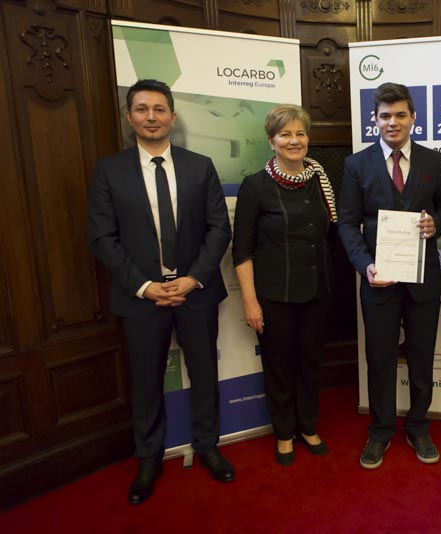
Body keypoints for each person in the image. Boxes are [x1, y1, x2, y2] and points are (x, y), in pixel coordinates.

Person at [87, 79, 234, 505]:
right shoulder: (109, 170)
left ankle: (208, 445)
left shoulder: (200, 166)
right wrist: (146, 286)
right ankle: (149, 457)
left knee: (204, 374)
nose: (150, 117)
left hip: (195, 293)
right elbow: (102, 238)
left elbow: (218, 229)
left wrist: (193, 278)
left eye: (158, 109)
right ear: (129, 116)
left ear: (172, 116)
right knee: (146, 381)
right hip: (141, 298)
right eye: (141, 109)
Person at [338, 82, 441, 469]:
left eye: (400, 115)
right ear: (374, 120)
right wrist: (364, 265)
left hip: (424, 280)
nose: (393, 122)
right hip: (379, 280)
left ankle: (419, 427)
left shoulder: (433, 161)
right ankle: (380, 431)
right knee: (380, 359)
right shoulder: (356, 164)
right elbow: (347, 223)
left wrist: (435, 224)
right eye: (385, 116)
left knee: (421, 357)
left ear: (413, 118)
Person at [232, 104, 336, 466]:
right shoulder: (255, 186)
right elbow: (242, 250)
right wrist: (250, 302)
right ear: (271, 141)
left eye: (300, 134)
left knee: (311, 362)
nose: (294, 141)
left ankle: (307, 426)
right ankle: (283, 432)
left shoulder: (320, 180)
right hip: (275, 296)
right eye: (285, 134)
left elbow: (332, 234)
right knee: (278, 366)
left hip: (318, 291)